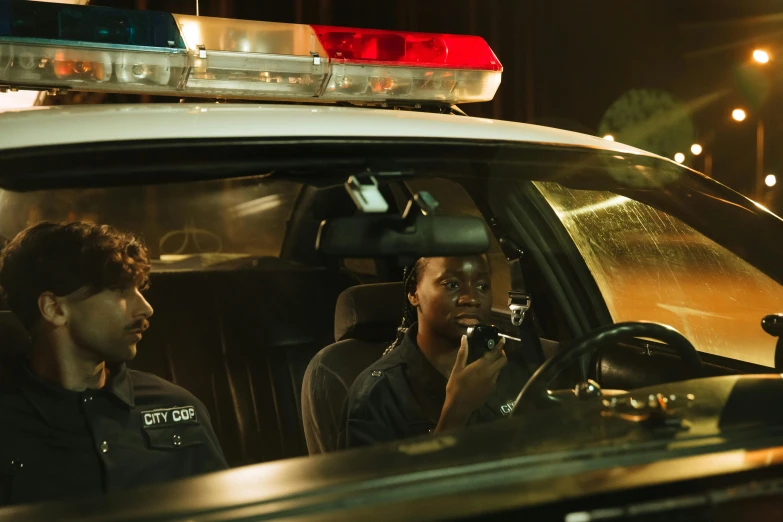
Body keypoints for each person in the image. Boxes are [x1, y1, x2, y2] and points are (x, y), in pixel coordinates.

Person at [0, 222, 228, 506]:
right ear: (54, 308)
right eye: (120, 290)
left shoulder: (177, 406)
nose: (146, 308)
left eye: (139, 288)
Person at [339, 255, 531, 449]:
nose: (472, 299)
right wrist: (457, 411)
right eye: (452, 285)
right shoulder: (377, 395)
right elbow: (389, 479)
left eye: (482, 286)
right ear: (414, 293)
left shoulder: (508, 368)